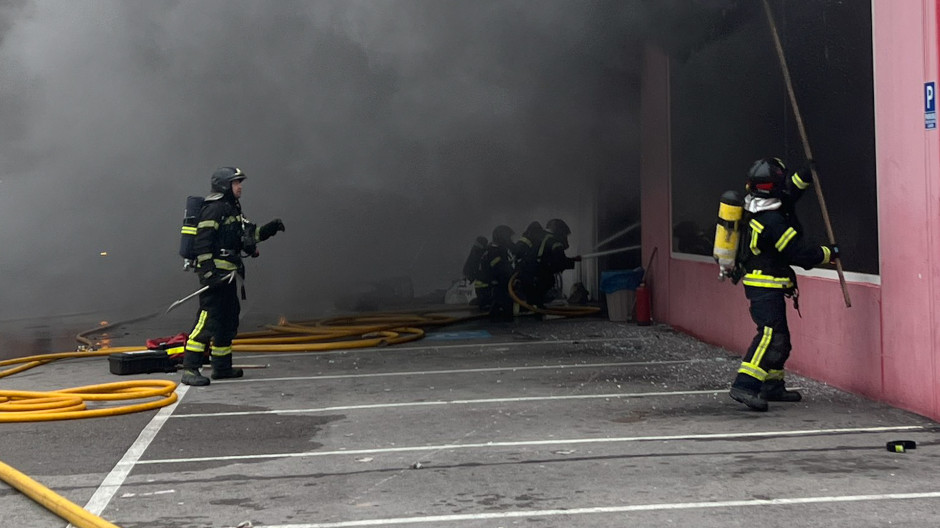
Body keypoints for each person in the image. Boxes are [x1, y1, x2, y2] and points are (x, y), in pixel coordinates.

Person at [729, 157, 839, 411]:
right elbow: (797, 254)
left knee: (782, 339)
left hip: (765, 282)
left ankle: (772, 386)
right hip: (764, 285)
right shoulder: (774, 222)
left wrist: (806, 173)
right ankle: (744, 385)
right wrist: (828, 253)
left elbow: (790, 192)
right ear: (773, 185)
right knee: (769, 334)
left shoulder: (758, 206)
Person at [179, 167, 285, 386]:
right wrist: (209, 274)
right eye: (236, 182)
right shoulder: (214, 209)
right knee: (207, 320)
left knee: (228, 320)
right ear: (224, 185)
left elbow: (249, 235)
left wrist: (269, 229)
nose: (240, 186)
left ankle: (222, 367)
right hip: (216, 276)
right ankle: (190, 368)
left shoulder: (232, 209)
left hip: (229, 275)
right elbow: (202, 244)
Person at [528, 218, 582, 317]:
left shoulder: (543, 237)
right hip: (538, 272)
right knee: (548, 280)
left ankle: (536, 306)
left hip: (531, 270)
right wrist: (572, 261)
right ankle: (536, 306)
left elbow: (554, 259)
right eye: (565, 235)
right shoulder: (554, 241)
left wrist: (571, 260)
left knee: (542, 283)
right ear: (560, 232)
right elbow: (559, 262)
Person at [478, 225, 516, 322]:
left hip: (488, 289)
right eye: (508, 237)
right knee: (506, 304)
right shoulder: (496, 252)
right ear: (503, 237)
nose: (510, 240)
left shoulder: (491, 249)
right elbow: (502, 271)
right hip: (491, 291)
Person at [462, 235, 488, 309]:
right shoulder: (479, 253)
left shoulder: (476, 252)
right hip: (484, 286)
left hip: (479, 286)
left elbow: (468, 268)